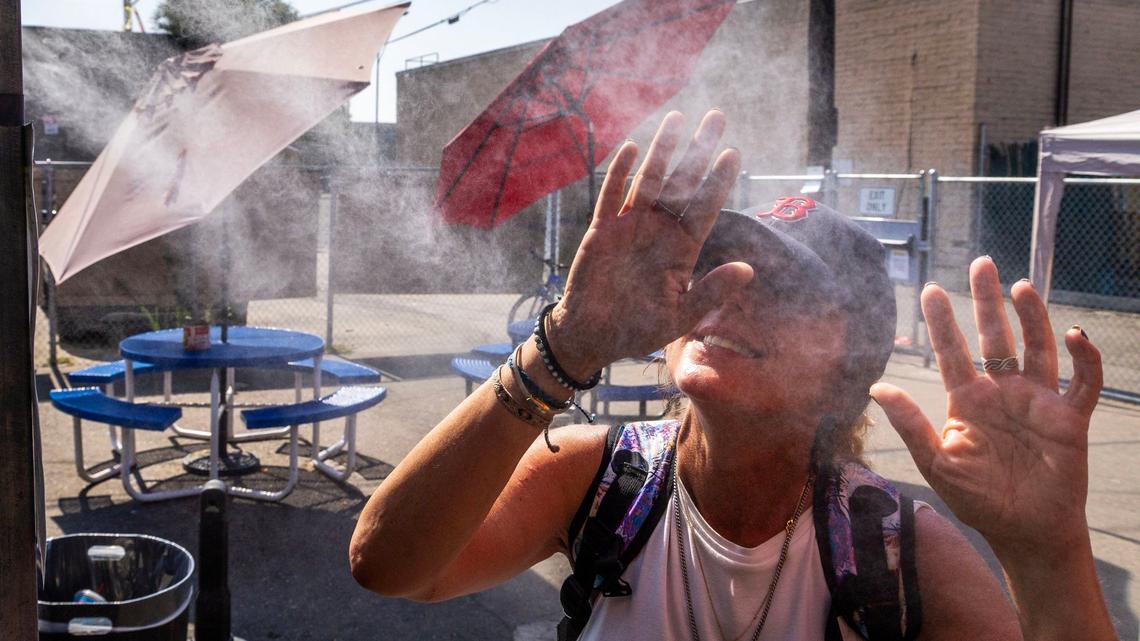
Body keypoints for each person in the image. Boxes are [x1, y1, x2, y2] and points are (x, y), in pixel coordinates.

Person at [349, 110, 1117, 641]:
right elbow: (388, 565)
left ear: (849, 368)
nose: (732, 291)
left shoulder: (894, 554)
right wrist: (563, 347)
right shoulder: (598, 476)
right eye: (717, 265)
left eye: (783, 288)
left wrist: (1049, 552)